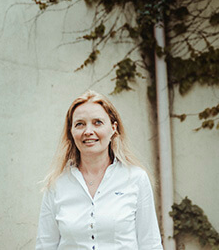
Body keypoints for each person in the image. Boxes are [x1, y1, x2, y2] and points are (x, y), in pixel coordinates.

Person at [36, 90, 164, 250]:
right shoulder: (56, 183)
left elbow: (150, 244)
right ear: (71, 131)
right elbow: (45, 245)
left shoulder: (136, 178)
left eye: (97, 122)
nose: (88, 131)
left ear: (113, 128)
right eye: (80, 124)